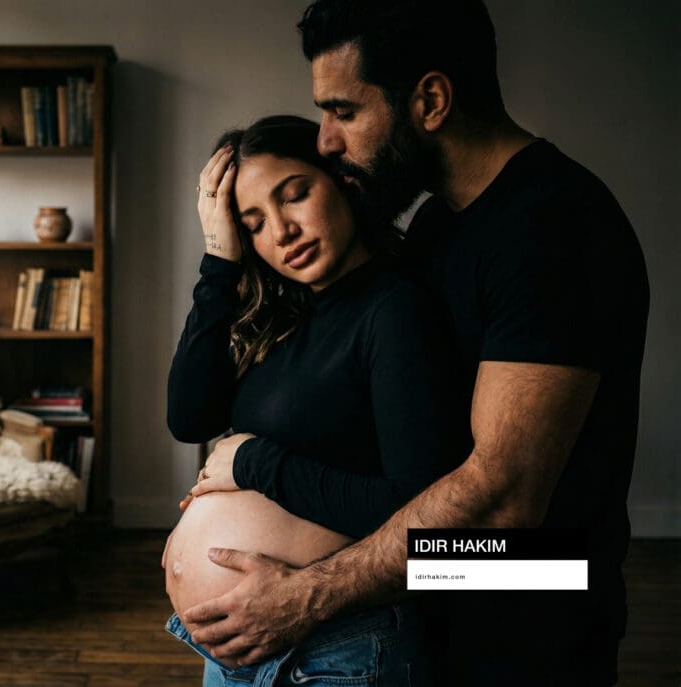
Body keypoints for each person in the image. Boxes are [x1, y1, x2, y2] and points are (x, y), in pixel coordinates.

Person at [178, 2, 649, 685]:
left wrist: (308, 593)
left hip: (531, 627)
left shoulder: (553, 223)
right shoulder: (435, 225)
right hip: (424, 622)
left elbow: (505, 509)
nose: (328, 141)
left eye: (343, 110)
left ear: (430, 100)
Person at [164, 115, 467, 686]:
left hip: (338, 647)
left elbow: (421, 516)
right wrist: (218, 261)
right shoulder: (286, 318)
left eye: (295, 195)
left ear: (342, 182)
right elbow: (188, 418)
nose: (282, 232)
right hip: (241, 645)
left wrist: (252, 462)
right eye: (253, 223)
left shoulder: (395, 312)